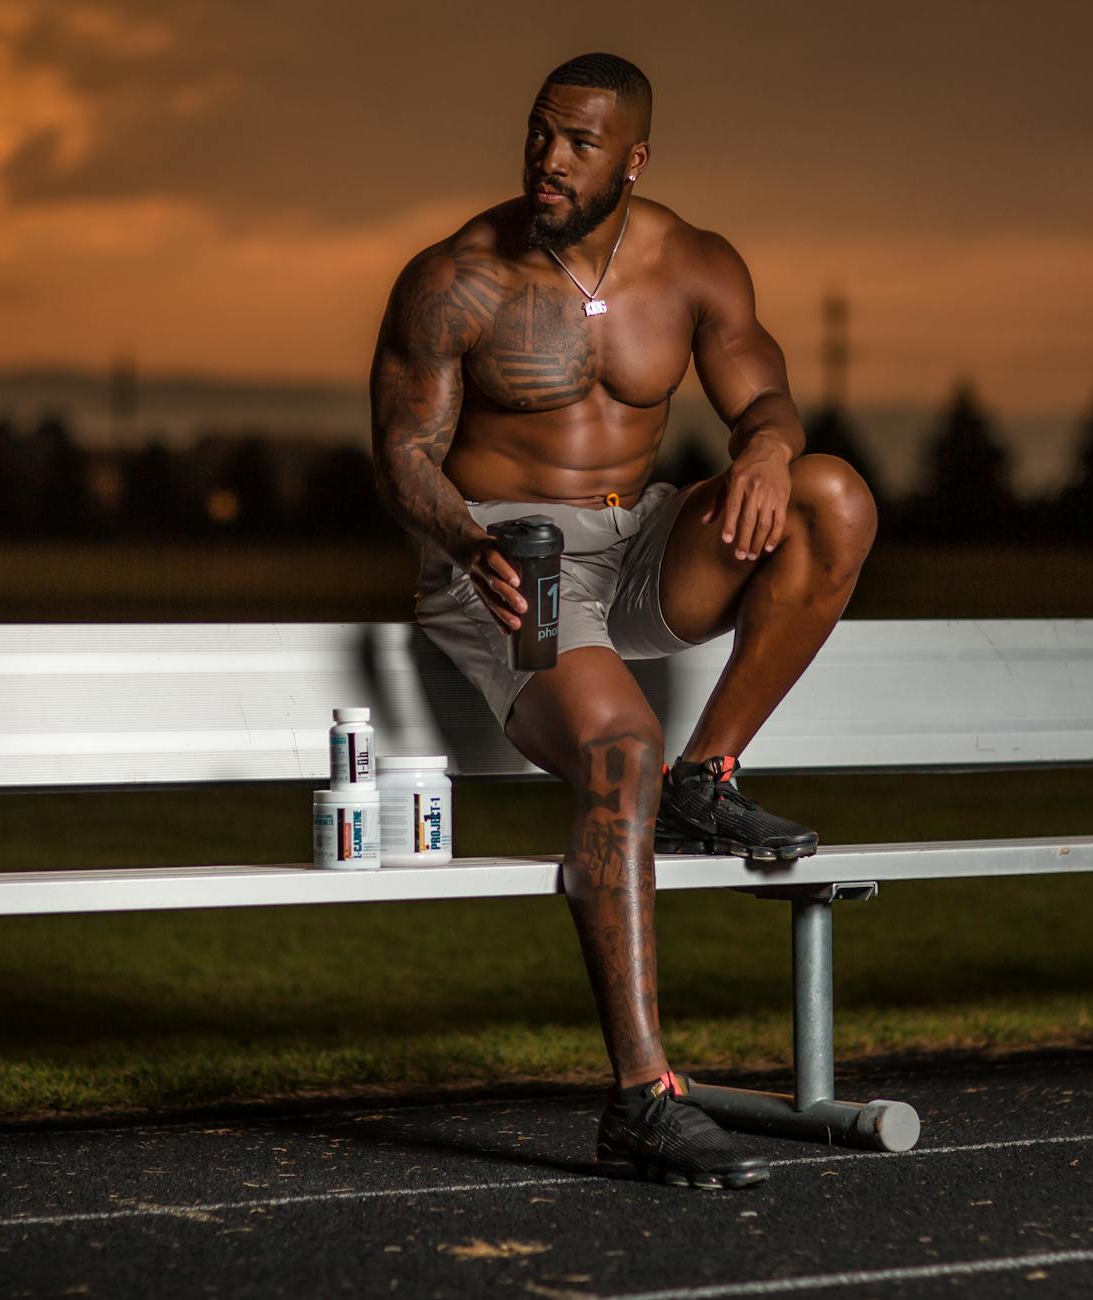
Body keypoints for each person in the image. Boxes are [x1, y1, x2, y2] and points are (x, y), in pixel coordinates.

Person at [368, 51, 876, 1190]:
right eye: (539, 134)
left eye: (578, 143)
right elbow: (402, 455)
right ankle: (642, 1095)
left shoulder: (692, 264)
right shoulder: (458, 277)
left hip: (638, 542)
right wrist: (464, 540)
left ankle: (712, 772)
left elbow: (765, 391)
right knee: (616, 749)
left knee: (829, 493)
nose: (548, 159)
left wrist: (763, 446)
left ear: (633, 157)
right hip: (503, 554)